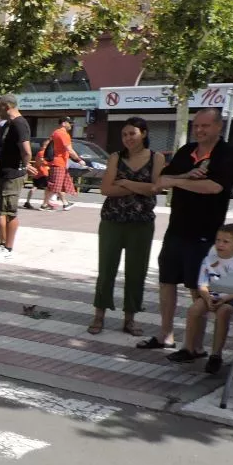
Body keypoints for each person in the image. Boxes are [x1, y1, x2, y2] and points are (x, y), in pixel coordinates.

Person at [137, 108, 233, 351]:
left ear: (218, 126)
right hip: (176, 230)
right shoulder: (186, 152)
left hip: (206, 234)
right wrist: (185, 176)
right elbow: (160, 182)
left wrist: (180, 182)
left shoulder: (227, 154)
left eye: (205, 126)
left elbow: (214, 187)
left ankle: (195, 346)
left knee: (198, 289)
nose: (199, 130)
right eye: (196, 126)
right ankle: (166, 335)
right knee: (167, 282)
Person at [88, 117, 164, 335]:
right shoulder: (115, 157)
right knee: (106, 269)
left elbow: (155, 189)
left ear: (144, 133)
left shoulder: (156, 158)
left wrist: (126, 183)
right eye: (124, 134)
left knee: (136, 271)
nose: (128, 138)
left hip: (141, 224)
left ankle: (129, 319)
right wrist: (141, 187)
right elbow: (106, 189)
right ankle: (99, 315)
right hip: (113, 221)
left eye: (132, 133)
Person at [171, 223, 233, 373]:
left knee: (223, 312)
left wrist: (224, 299)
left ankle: (216, 355)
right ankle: (189, 349)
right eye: (218, 240)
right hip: (213, 296)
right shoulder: (208, 260)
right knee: (194, 309)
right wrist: (207, 298)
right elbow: (202, 284)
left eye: (226, 241)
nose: (220, 244)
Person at [0, 95, 31, 261]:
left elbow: (26, 150)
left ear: (6, 106)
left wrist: (24, 167)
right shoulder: (6, 125)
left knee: (9, 211)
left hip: (12, 174)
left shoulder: (20, 124)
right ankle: (2, 243)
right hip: (0, 171)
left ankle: (9, 248)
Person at [41, 116, 87, 210]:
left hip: (58, 162)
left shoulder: (55, 133)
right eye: (69, 123)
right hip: (59, 163)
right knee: (54, 186)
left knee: (61, 185)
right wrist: (79, 160)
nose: (71, 125)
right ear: (63, 123)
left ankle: (65, 203)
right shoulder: (63, 134)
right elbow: (69, 150)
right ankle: (44, 205)